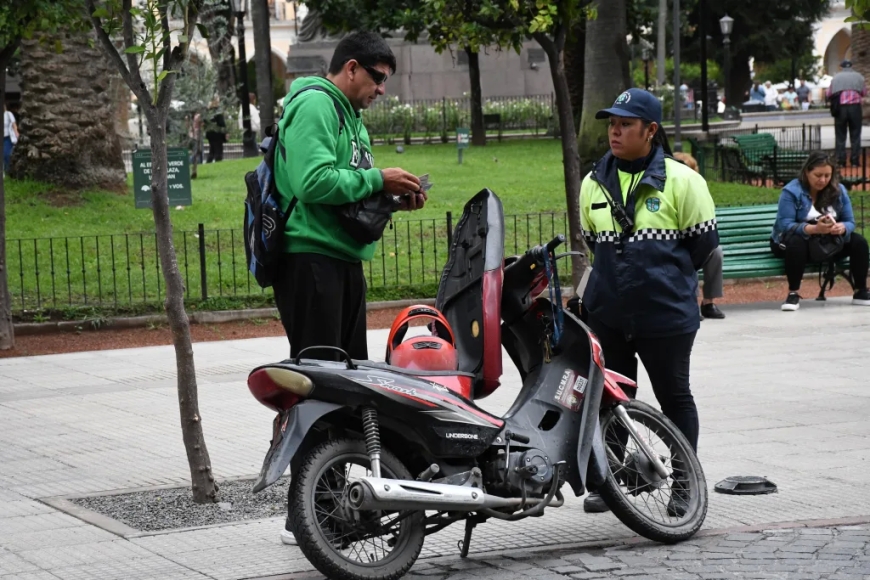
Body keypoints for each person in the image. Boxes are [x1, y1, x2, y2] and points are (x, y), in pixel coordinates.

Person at [272, 31, 425, 547]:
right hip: (311, 262)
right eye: (379, 80)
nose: (382, 91)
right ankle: (309, 515)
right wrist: (378, 180)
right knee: (319, 390)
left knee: (344, 389)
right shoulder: (317, 105)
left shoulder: (350, 117)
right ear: (353, 68)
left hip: (339, 260)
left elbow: (347, 190)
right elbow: (313, 181)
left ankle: (327, 507)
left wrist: (392, 198)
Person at [579, 88, 719, 514]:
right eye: (611, 125)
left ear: (651, 130)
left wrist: (659, 280)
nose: (615, 132)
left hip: (666, 315)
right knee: (611, 401)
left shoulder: (684, 181)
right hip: (608, 314)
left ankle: (684, 484)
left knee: (674, 397)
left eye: (625, 124)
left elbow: (703, 247)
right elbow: (592, 244)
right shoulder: (592, 182)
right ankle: (614, 483)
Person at [770, 151, 870, 311]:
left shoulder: (839, 191)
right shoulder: (791, 191)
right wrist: (814, 229)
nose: (823, 180)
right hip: (792, 242)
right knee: (797, 242)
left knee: (859, 242)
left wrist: (842, 228)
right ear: (806, 172)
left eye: (827, 175)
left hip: (827, 242)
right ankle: (793, 293)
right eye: (818, 175)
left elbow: (850, 221)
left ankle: (861, 290)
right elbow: (785, 225)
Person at [673, 151, 726, 320]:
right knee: (688, 252)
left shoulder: (698, 190)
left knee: (715, 251)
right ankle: (692, 303)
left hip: (695, 238)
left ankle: (709, 302)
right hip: (674, 243)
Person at [827, 60, 866, 168]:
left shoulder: (836, 78)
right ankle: (855, 161)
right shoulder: (859, 77)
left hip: (841, 109)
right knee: (855, 135)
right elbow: (864, 92)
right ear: (851, 66)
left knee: (840, 135)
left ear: (841, 67)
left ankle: (841, 161)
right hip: (855, 108)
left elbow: (829, 93)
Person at [205, 98, 227, 163]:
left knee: (212, 150)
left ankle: (209, 162)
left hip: (210, 134)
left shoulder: (208, 111)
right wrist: (225, 132)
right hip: (217, 134)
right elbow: (221, 123)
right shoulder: (218, 112)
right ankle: (218, 162)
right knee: (218, 151)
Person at [3, 102, 19, 175]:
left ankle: (7, 171)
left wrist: (17, 134)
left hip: (7, 138)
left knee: (6, 154)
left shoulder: (8, 114)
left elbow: (14, 125)